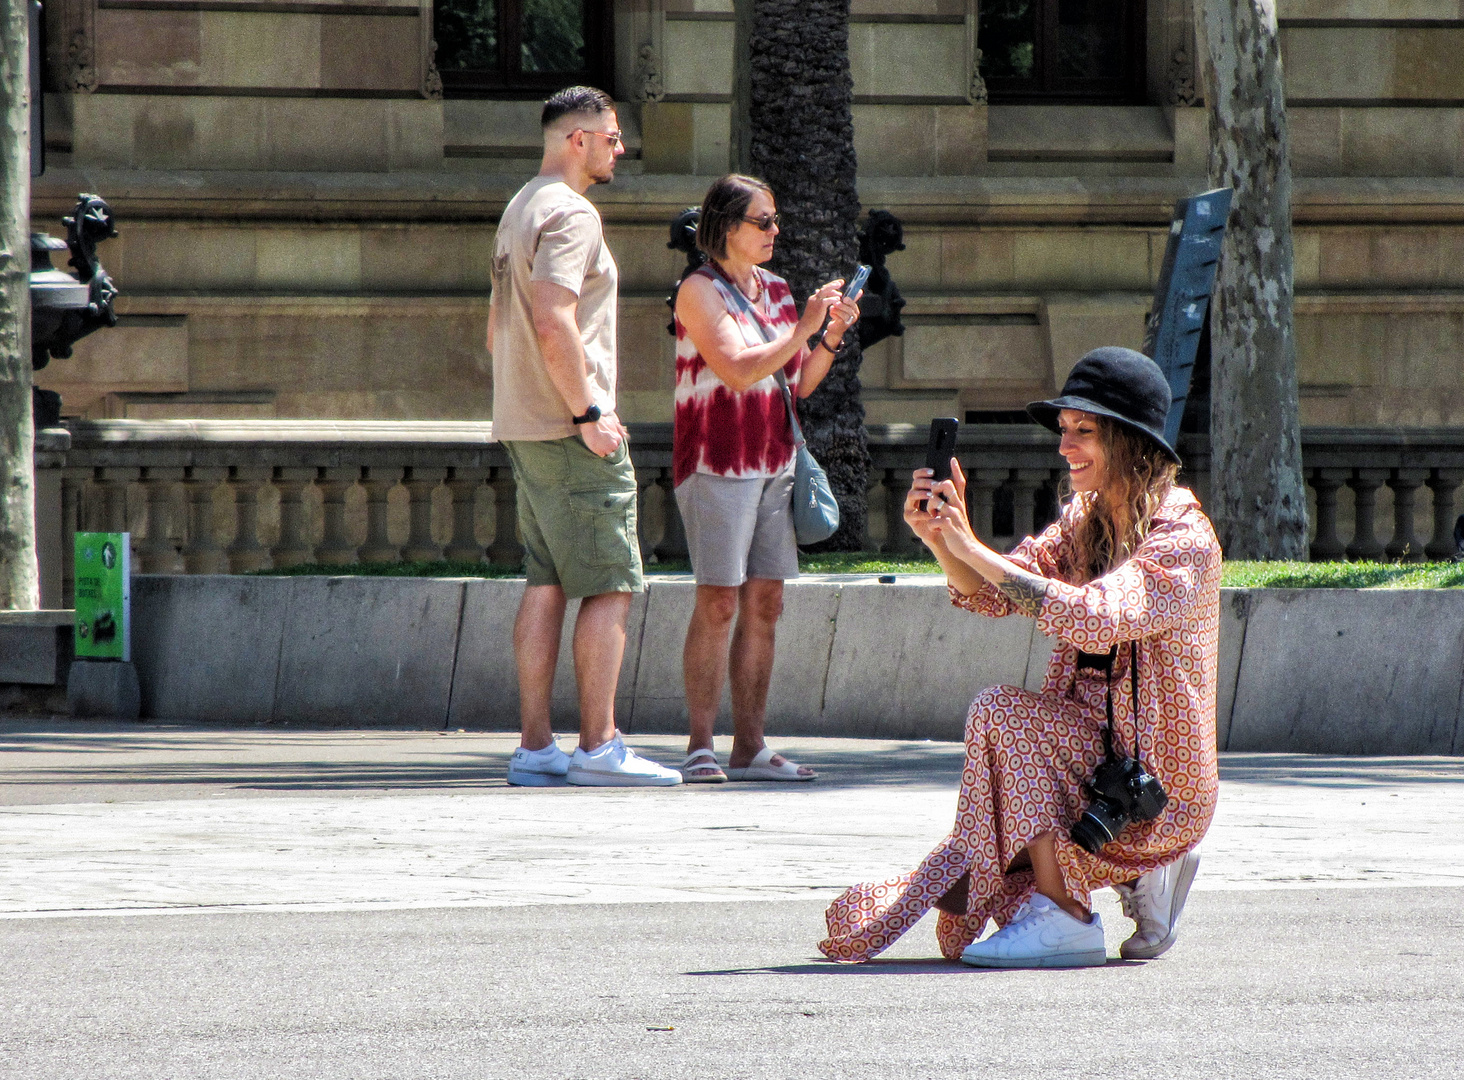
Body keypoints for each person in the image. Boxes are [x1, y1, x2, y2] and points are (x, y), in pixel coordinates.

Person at [819, 347, 1218, 966]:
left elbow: (1095, 617)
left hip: (1156, 780)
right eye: (1064, 432)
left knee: (1002, 719)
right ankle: (1114, 886)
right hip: (1094, 757)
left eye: (1084, 433)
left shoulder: (1183, 537)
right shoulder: (1083, 522)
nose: (1065, 448)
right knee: (999, 716)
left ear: (1132, 443)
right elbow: (993, 593)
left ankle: (1069, 916)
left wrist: (971, 545)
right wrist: (941, 539)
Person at [489, 86, 680, 788]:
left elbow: (497, 328)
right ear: (578, 140)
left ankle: (536, 748)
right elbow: (550, 318)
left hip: (522, 419)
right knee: (610, 585)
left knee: (545, 582)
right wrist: (588, 413)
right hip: (569, 428)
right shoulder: (571, 213)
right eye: (611, 135)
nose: (620, 147)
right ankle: (598, 747)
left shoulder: (521, 206)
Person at [670, 175, 861, 783]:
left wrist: (827, 335)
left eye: (775, 220)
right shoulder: (699, 291)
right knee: (719, 601)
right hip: (717, 460)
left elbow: (797, 382)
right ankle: (701, 743)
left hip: (774, 461)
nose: (776, 231)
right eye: (764, 221)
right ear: (728, 226)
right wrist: (804, 327)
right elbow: (734, 368)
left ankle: (748, 745)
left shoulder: (777, 290)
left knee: (766, 602)